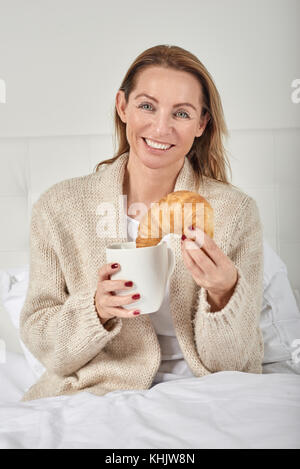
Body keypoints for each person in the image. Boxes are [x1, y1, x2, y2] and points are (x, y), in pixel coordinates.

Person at [19, 44, 264, 402]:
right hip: (97, 395)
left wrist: (224, 292)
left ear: (201, 124)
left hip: (202, 394)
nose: (161, 127)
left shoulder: (234, 213)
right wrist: (96, 310)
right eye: (147, 106)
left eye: (181, 113)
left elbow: (234, 367)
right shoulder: (59, 209)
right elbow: (47, 348)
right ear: (123, 107)